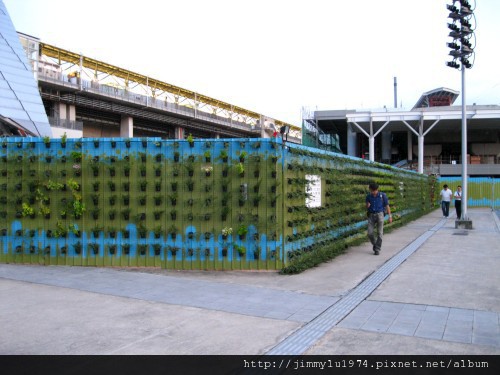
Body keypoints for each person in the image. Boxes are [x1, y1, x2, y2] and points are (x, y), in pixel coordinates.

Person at [366, 183, 392, 255]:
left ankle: (377, 249)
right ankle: (375, 245)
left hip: (380, 215)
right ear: (370, 190)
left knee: (380, 233)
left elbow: (387, 206)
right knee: (370, 233)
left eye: (374, 190)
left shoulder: (382, 195)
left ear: (377, 189)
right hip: (371, 215)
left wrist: (390, 216)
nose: (373, 192)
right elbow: (367, 206)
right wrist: (367, 206)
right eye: (372, 191)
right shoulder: (368, 196)